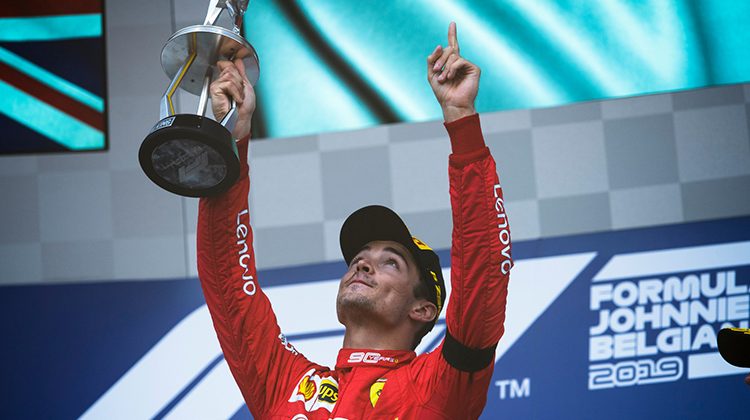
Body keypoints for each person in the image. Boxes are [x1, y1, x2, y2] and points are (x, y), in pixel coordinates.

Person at [198, 22, 513, 419]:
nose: (362, 263)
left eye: (390, 262)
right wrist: (232, 138)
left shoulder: (436, 388)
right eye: (360, 257)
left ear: (422, 309)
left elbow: (483, 274)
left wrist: (462, 120)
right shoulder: (288, 385)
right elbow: (228, 285)